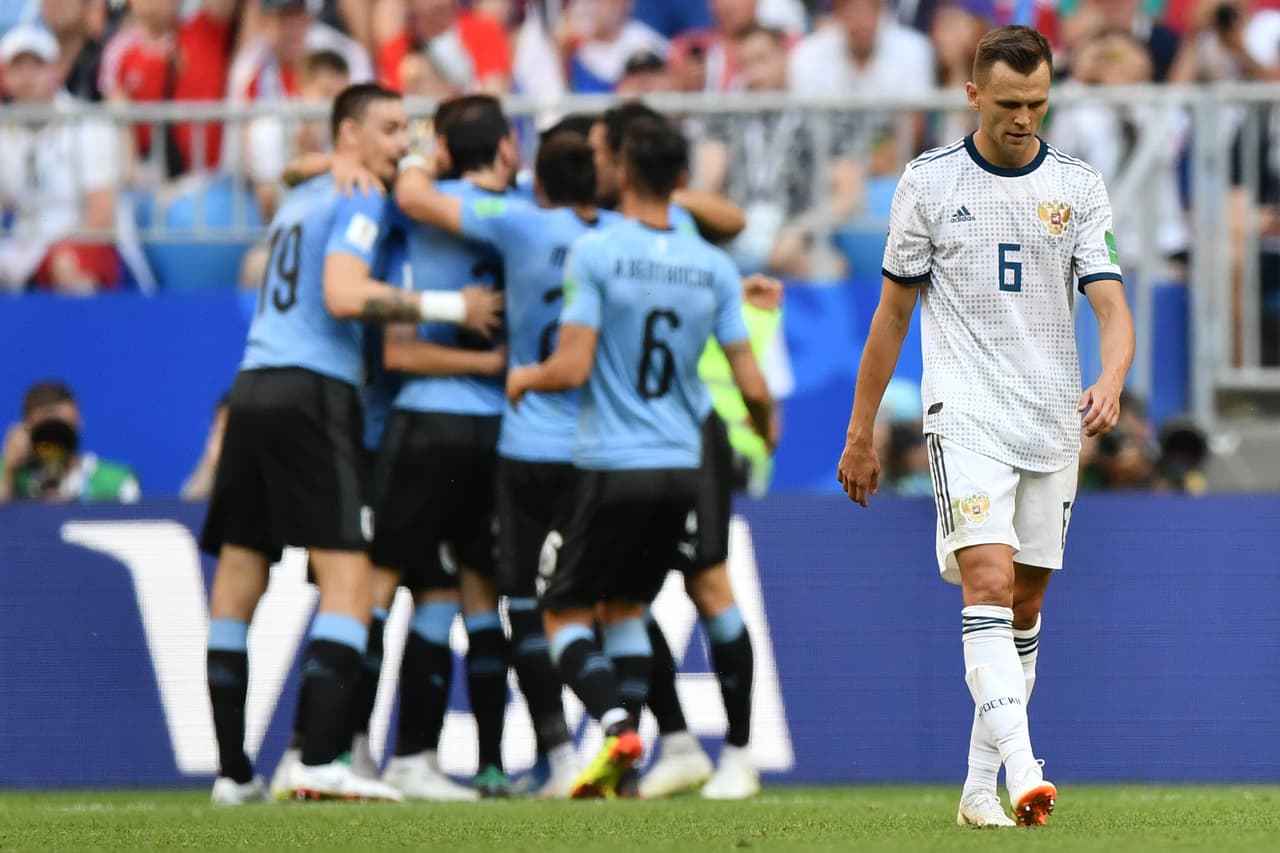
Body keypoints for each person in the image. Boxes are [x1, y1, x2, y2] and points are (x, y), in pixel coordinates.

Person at [835, 26, 1135, 828]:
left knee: (1026, 605)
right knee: (989, 586)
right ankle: (1026, 767)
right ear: (973, 95)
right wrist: (860, 432)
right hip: (964, 417)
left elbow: (1111, 304)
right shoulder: (928, 184)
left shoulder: (1077, 185)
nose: (1023, 119)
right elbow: (891, 317)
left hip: (1051, 421)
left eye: (1037, 103)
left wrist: (1110, 376)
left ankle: (977, 790)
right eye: (1008, 103)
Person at [198, 82, 502, 806]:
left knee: (240, 576)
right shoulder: (360, 197)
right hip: (313, 387)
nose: (404, 142)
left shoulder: (304, 195)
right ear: (351, 134)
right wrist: (449, 305)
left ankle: (232, 772)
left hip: (254, 383)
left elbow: (300, 177)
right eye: (392, 129)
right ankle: (319, 756)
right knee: (348, 575)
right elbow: (342, 294)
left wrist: (316, 163)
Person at [506, 117, 774, 799]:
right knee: (626, 603)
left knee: (563, 610)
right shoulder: (711, 265)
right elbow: (752, 385)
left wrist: (524, 377)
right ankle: (667, 746)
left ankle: (619, 720)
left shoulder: (596, 252)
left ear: (621, 170)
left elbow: (570, 366)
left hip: (610, 461)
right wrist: (764, 428)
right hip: (685, 460)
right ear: (681, 179)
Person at [391, 132, 618, 798]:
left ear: (538, 182)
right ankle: (620, 733)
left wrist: (421, 157)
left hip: (523, 439)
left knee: (517, 600)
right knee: (602, 604)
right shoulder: (618, 237)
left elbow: (417, 200)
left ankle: (558, 753)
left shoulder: (518, 222)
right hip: (596, 445)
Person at [369, 95, 515, 799]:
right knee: (476, 593)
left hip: (424, 423)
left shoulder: (410, 211)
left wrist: (419, 157)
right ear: (507, 148)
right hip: (494, 429)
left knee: (376, 588)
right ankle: (484, 763)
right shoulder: (522, 214)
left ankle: (334, 748)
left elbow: (398, 353)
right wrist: (492, 366)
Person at [0, 23, 121, 293]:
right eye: (17, 67)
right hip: (25, 247)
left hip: (87, 245)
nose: (26, 77)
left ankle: (85, 333)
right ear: (5, 77)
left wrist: (54, 253)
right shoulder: (4, 133)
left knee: (66, 265)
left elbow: (101, 218)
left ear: (57, 71)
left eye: (36, 66)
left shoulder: (90, 124)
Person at [0, 381, 140, 503]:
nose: (55, 440)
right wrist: (8, 472)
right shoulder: (10, 473)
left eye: (63, 429)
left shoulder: (116, 481)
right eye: (46, 431)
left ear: (79, 423)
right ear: (27, 431)